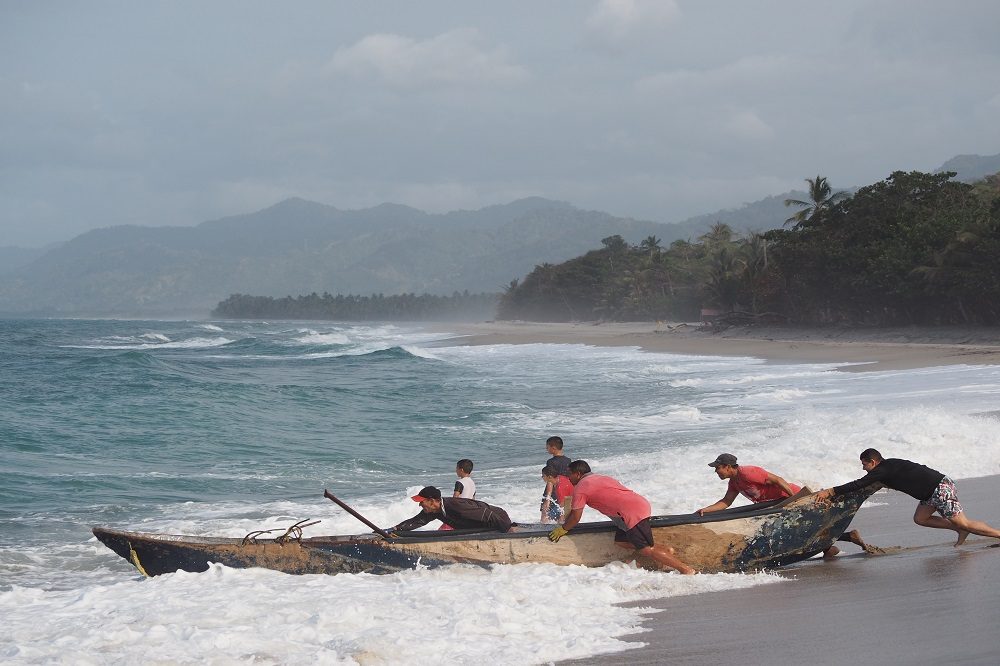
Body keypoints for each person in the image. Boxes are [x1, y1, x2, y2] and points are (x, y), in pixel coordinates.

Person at [697, 453, 872, 558]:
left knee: (799, 530)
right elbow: (726, 502)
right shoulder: (734, 482)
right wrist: (706, 510)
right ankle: (840, 541)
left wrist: (796, 499)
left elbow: (778, 480)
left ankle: (840, 541)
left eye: (718, 467)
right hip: (777, 505)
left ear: (728, 467)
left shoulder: (748, 473)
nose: (716, 471)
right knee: (802, 530)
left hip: (789, 499)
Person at [814, 448, 1000, 546]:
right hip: (931, 492)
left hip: (940, 488)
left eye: (864, 464)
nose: (863, 468)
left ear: (873, 461)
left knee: (964, 522)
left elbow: (859, 484)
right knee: (920, 519)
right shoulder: (889, 465)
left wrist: (830, 492)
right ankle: (959, 529)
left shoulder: (882, 470)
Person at [548, 460, 696, 574]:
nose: (568, 477)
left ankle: (685, 569)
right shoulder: (601, 477)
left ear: (578, 474)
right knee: (621, 541)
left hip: (631, 513)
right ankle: (664, 550)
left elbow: (575, 516)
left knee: (645, 549)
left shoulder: (581, 487)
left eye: (570, 474)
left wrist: (563, 529)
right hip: (636, 506)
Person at [387, 486, 514, 533]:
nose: (420, 505)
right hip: (483, 525)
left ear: (432, 501)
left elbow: (488, 515)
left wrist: (508, 530)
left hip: (498, 519)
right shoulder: (434, 510)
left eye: (421, 502)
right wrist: (396, 529)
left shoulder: (456, 506)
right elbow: (417, 521)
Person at [540, 435, 572, 522]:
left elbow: (550, 479)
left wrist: (548, 498)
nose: (546, 449)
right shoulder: (568, 460)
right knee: (562, 514)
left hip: (553, 490)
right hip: (565, 489)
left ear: (553, 448)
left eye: (547, 447)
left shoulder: (551, 462)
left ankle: (542, 530)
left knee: (545, 512)